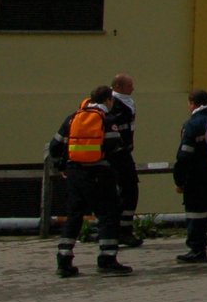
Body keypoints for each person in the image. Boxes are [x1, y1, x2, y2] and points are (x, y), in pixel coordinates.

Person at [48, 85, 132, 276]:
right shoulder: (108, 120)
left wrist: (62, 167)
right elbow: (116, 151)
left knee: (74, 215)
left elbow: (54, 146)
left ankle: (64, 260)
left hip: (74, 173)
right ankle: (107, 258)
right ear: (108, 100)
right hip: (100, 174)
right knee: (108, 214)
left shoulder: (72, 118)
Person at [173, 89, 207, 264]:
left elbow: (184, 155)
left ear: (192, 103)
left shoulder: (192, 124)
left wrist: (179, 179)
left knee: (196, 214)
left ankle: (198, 250)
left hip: (197, 177)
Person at [103, 73, 140, 247]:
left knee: (127, 190)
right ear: (118, 87)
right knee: (128, 190)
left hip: (123, 153)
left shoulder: (124, 102)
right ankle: (122, 230)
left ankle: (120, 229)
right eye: (129, 85)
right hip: (116, 155)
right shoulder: (114, 105)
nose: (133, 88)